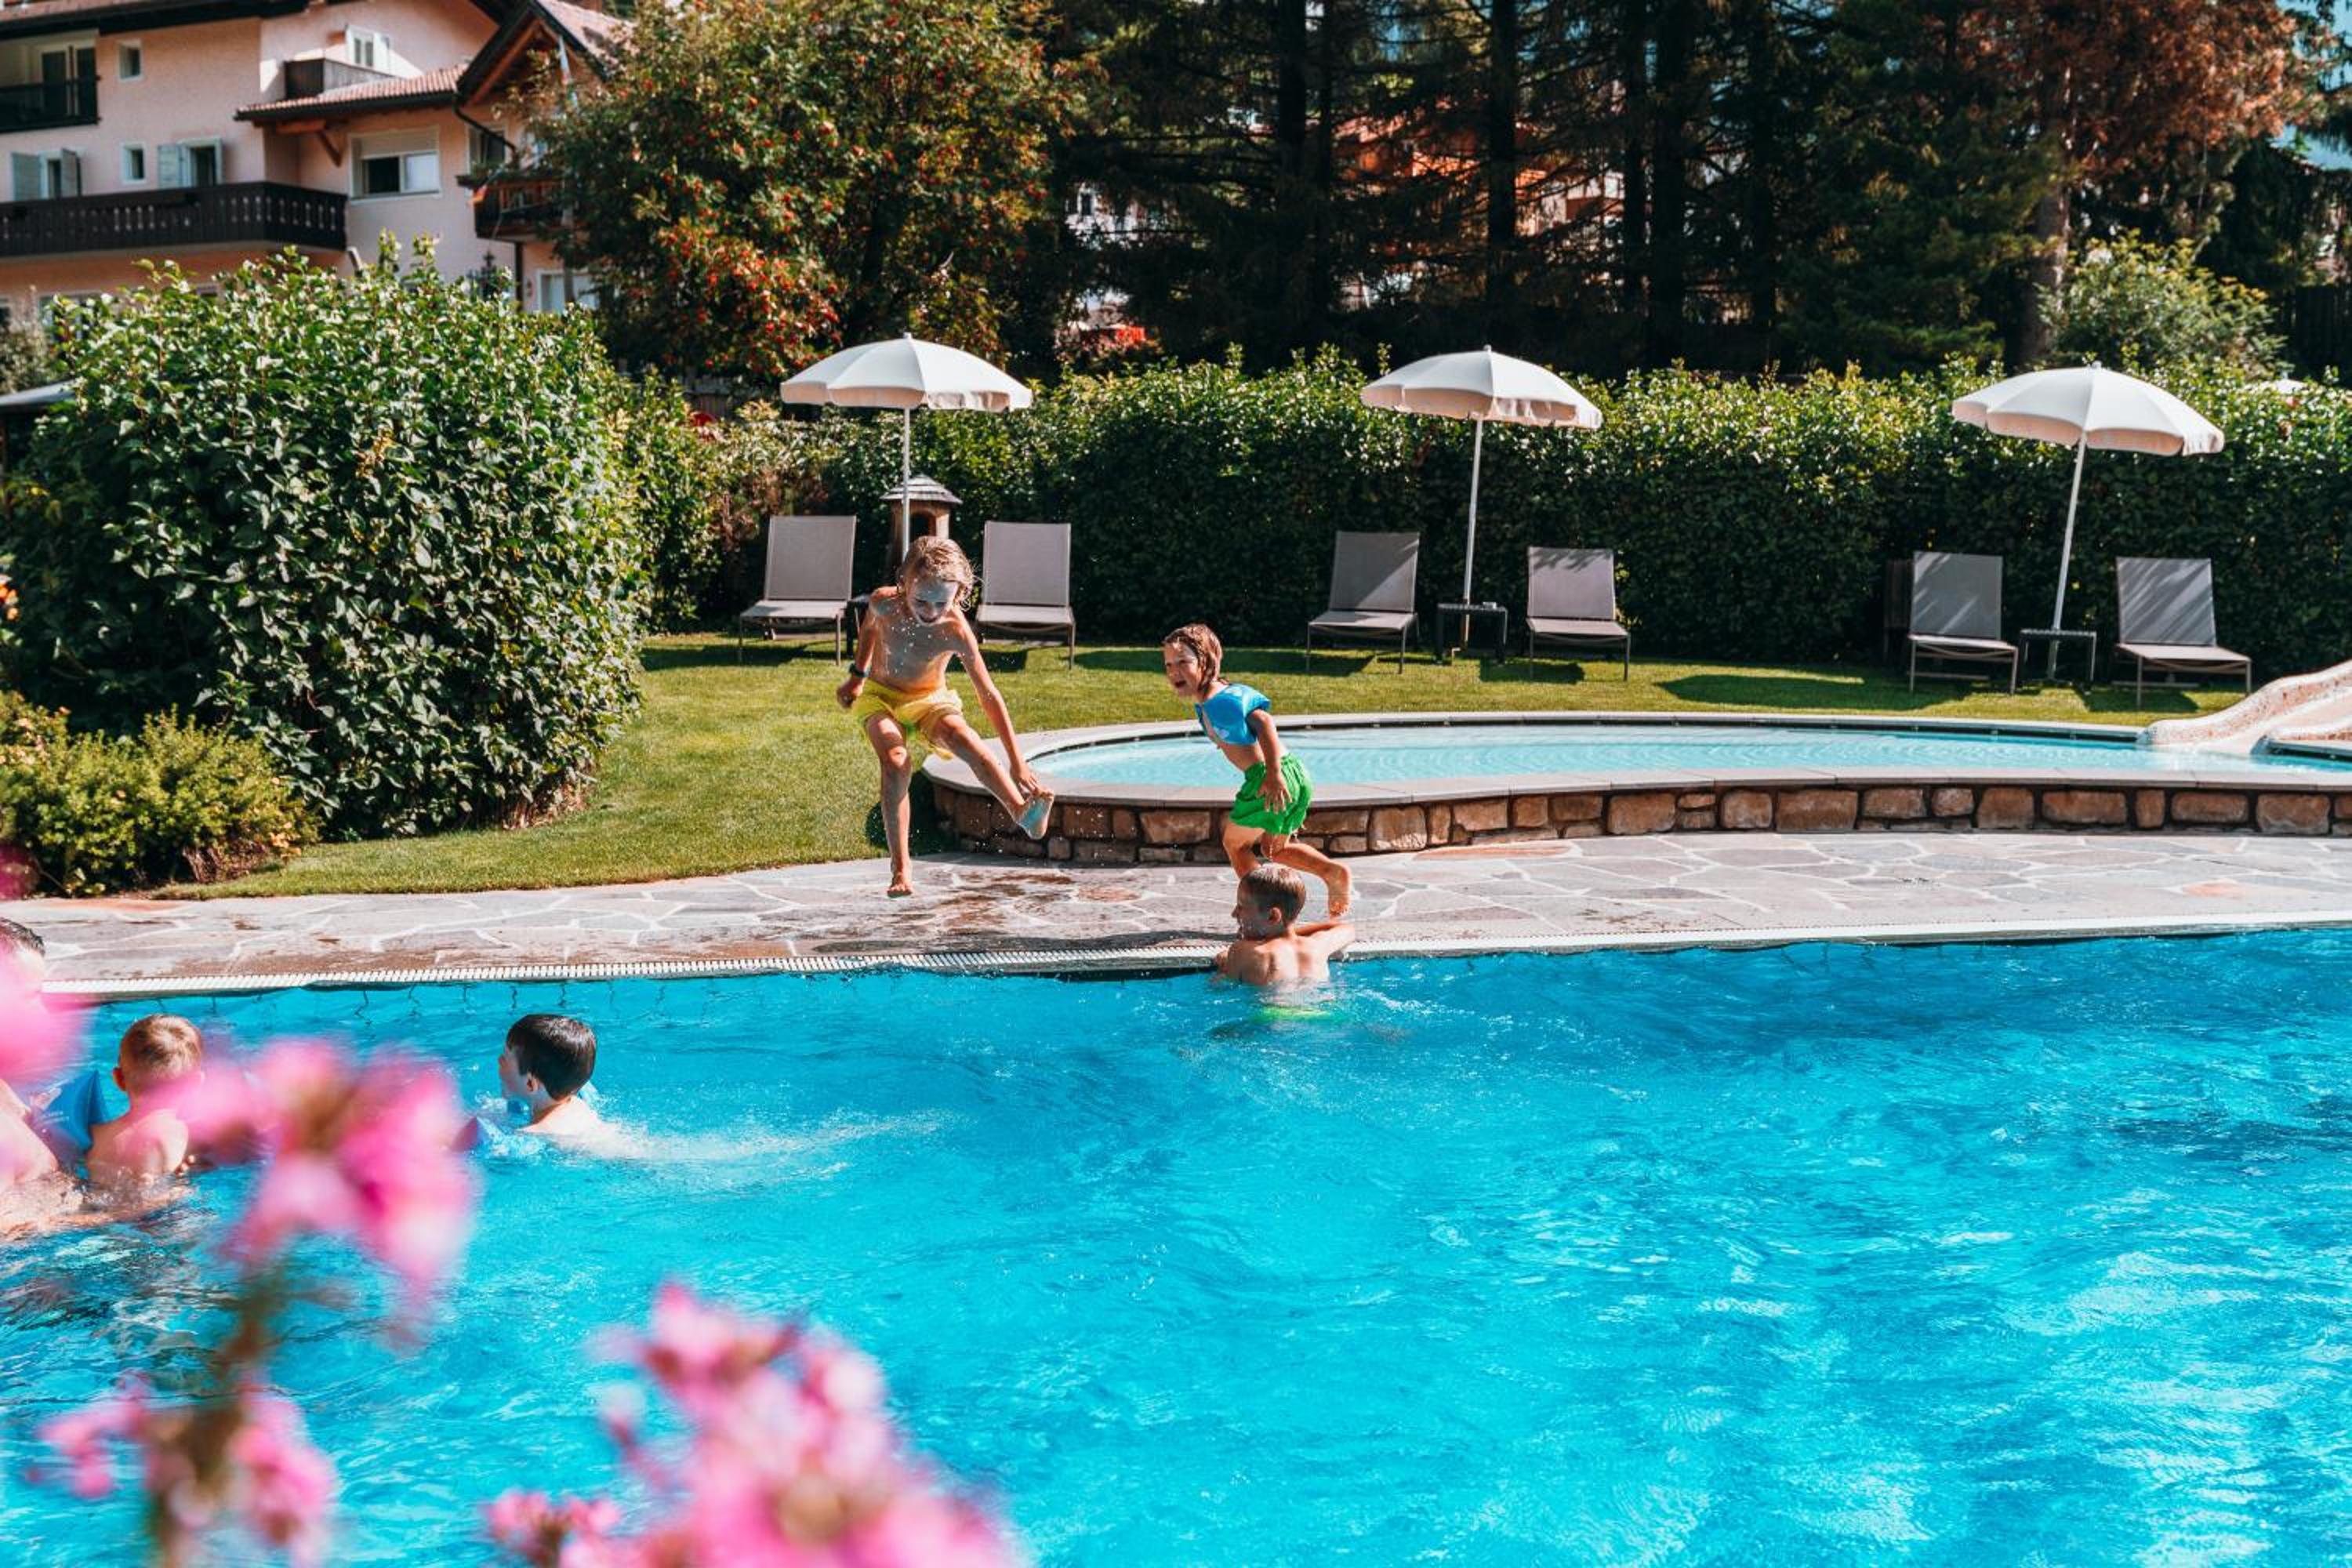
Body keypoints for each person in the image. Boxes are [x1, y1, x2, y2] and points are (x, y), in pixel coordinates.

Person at [836, 536, 1054, 898]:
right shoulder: (883, 604)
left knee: (965, 739)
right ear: (904, 583)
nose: (930, 611)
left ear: (960, 594)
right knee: (896, 761)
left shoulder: (956, 630)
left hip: (930, 700)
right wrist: (857, 677)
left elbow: (988, 695)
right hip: (881, 698)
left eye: (942, 602)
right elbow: (869, 630)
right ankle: (901, 868)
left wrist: (1017, 762)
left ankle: (1021, 812)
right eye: (921, 601)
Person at [1162, 622, 1350, 916]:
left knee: (1235, 845)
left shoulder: (1220, 702)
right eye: (1169, 664)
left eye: (1183, 662)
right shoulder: (1213, 700)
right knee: (1274, 849)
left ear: (1207, 662)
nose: (1174, 671)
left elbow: (1264, 721)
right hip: (1293, 772)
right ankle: (1332, 872)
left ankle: (1262, 910)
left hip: (1268, 777)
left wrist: (1273, 774)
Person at [85, 1014, 204, 1189]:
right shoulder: (186, 1136)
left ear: (118, 1079)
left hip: (92, 1197)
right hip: (159, 1203)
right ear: (195, 1084)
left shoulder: (95, 1135)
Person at [1215, 865, 1355, 985]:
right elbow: (1347, 929)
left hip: (1270, 1009)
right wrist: (1291, 933)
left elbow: (1219, 988)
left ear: (1273, 916)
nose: (1234, 913)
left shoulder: (1243, 951)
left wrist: (1226, 961)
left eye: (1241, 907)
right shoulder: (1316, 947)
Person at [496, 1013, 607, 1143]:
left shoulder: (531, 1134)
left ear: (530, 1084)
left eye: (506, 1058)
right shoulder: (577, 1104)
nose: (499, 1060)